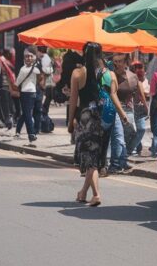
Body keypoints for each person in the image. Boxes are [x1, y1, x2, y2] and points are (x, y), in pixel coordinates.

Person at [66, 44, 109, 206]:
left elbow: (73, 101)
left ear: (84, 53)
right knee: (93, 158)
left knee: (88, 159)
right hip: (98, 118)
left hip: (84, 118)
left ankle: (96, 194)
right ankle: (83, 193)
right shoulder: (105, 74)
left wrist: (70, 122)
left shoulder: (77, 73)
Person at [109, 53, 138, 174]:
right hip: (116, 109)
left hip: (128, 109)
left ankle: (122, 160)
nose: (117, 64)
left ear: (126, 62)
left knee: (132, 132)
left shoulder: (132, 76)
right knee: (118, 138)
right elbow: (112, 93)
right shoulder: (112, 75)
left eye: (120, 61)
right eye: (115, 61)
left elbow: (135, 90)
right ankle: (117, 163)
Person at [14, 47, 41, 145]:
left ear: (33, 57)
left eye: (30, 56)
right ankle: (28, 134)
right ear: (24, 58)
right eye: (27, 56)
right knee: (27, 114)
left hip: (29, 94)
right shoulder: (30, 69)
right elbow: (17, 83)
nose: (29, 58)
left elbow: (16, 83)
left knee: (26, 114)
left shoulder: (29, 69)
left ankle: (24, 132)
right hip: (29, 93)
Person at [127, 60, 150, 156]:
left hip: (137, 108)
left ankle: (134, 148)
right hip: (134, 107)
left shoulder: (144, 79)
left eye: (140, 67)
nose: (139, 69)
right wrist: (147, 108)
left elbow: (145, 94)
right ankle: (130, 149)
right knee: (139, 130)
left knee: (139, 129)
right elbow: (141, 95)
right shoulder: (132, 79)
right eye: (136, 67)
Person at [37, 46, 55, 125]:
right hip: (46, 82)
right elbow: (47, 69)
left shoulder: (44, 58)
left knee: (46, 98)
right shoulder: (46, 57)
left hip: (45, 82)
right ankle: (44, 115)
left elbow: (44, 69)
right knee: (47, 98)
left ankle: (43, 115)